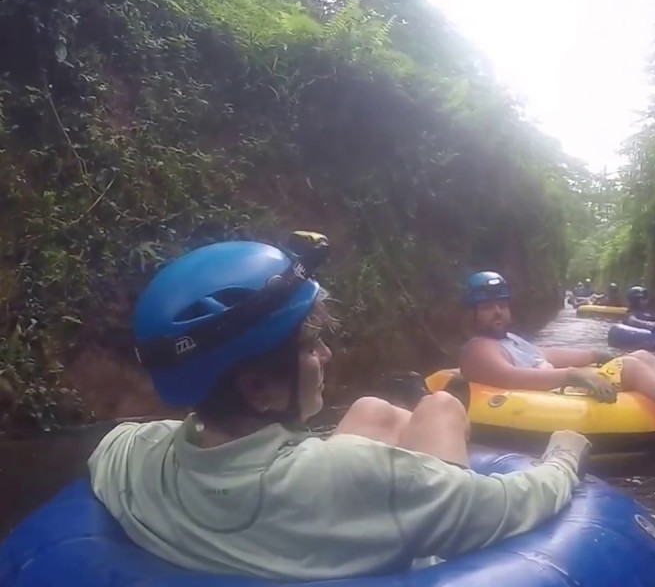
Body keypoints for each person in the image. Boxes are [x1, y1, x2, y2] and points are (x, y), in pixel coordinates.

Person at [87, 233, 591, 581]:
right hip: (392, 541)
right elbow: (510, 504)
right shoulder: (360, 477)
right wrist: (565, 454)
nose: (326, 355)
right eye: (311, 345)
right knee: (440, 407)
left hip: (282, 511)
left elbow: (107, 448)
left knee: (375, 408)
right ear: (259, 388)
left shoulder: (136, 454)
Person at [457, 272, 655, 441]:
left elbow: (545, 354)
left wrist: (594, 354)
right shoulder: (478, 349)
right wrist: (572, 374)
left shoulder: (509, 339)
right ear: (472, 315)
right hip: (555, 392)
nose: (498, 312)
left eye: (501, 304)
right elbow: (513, 377)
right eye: (487, 307)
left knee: (639, 355)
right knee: (633, 366)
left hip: (560, 385)